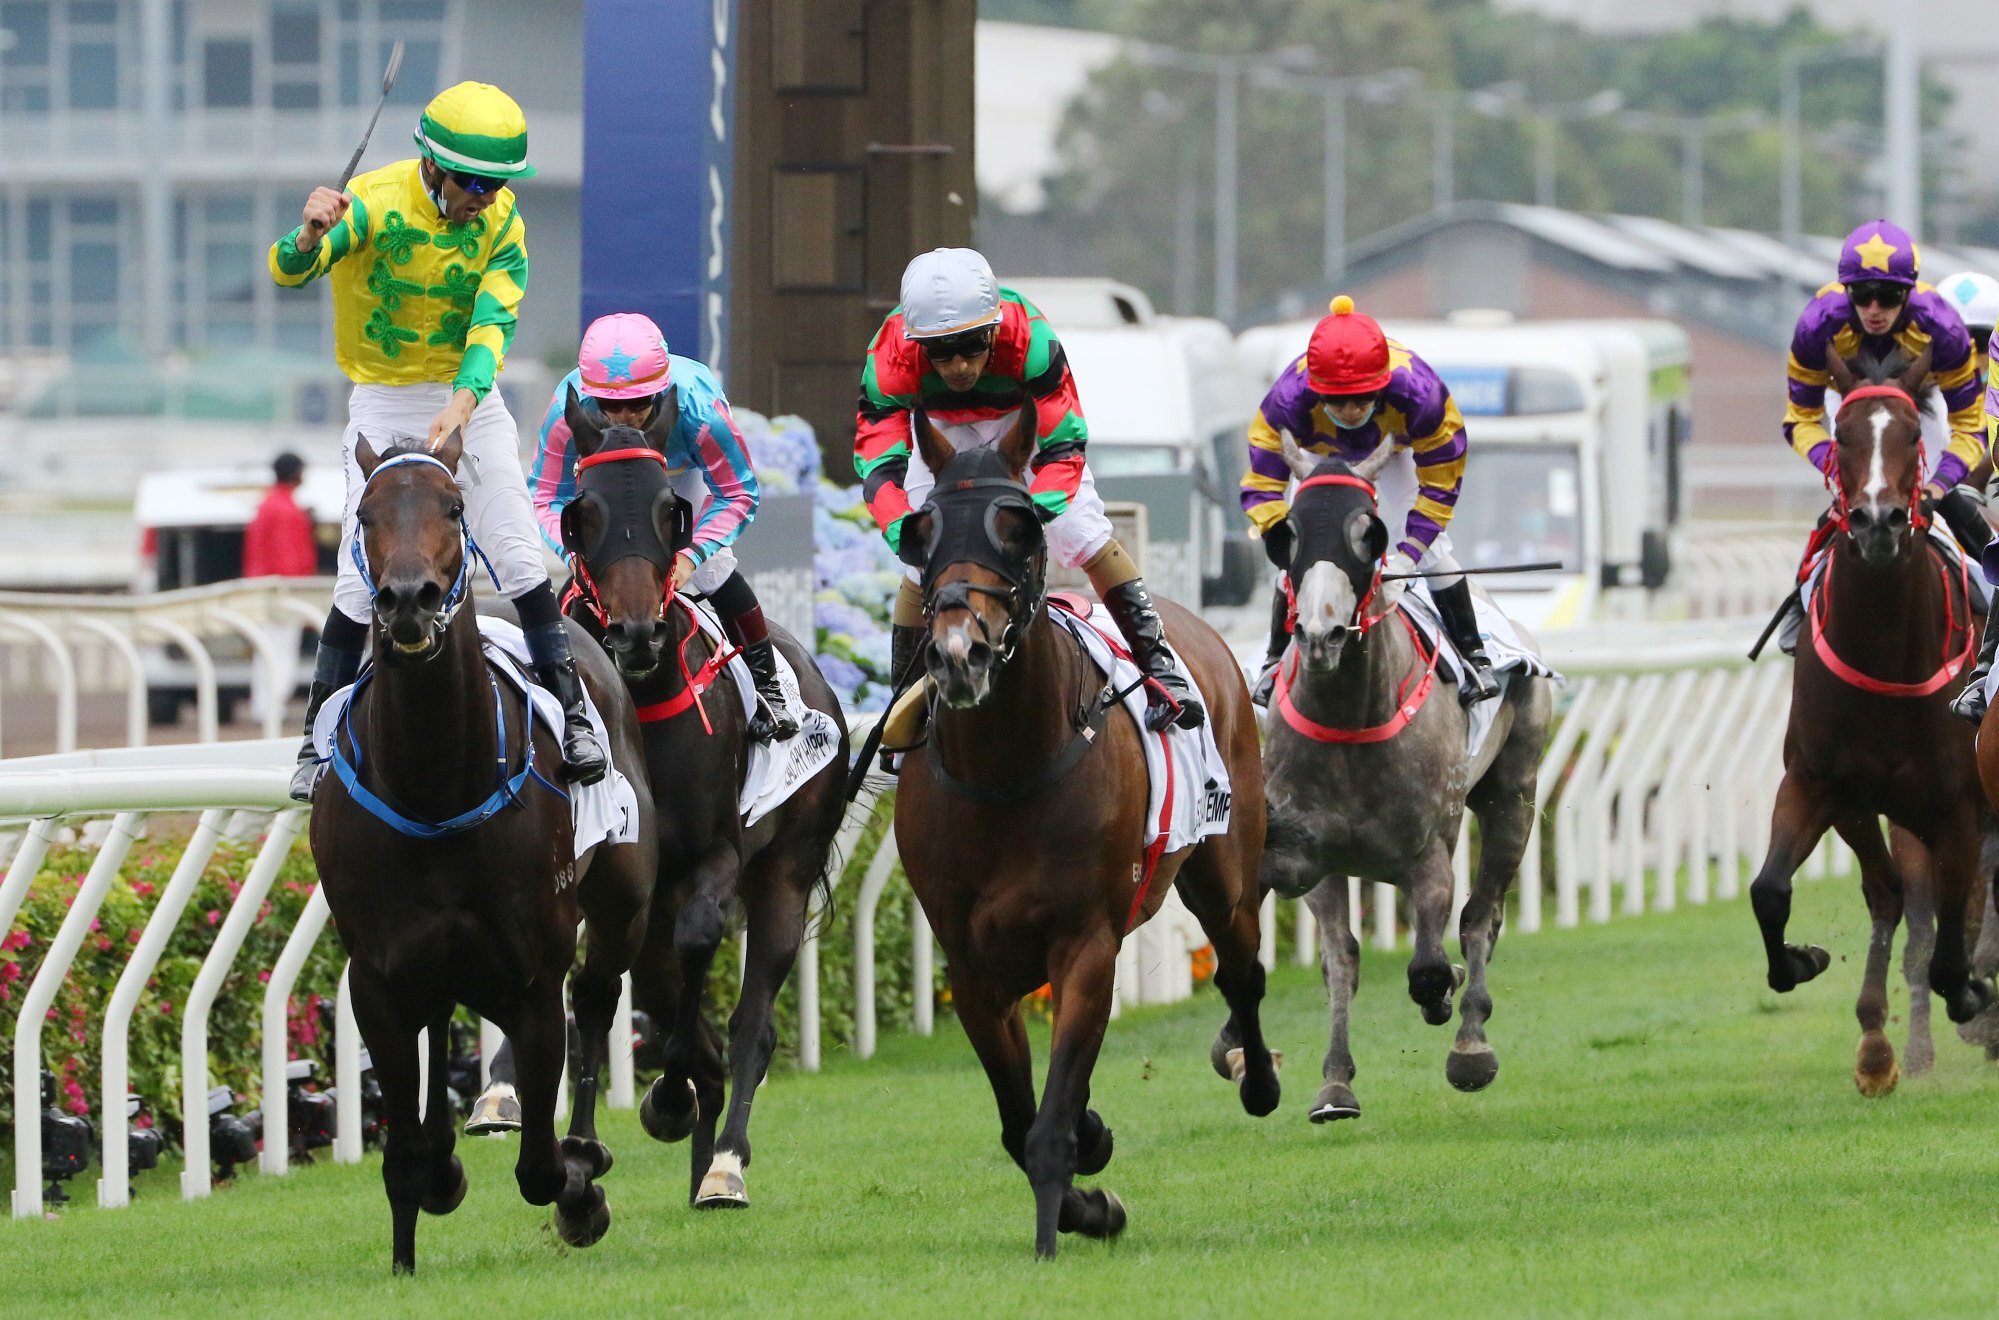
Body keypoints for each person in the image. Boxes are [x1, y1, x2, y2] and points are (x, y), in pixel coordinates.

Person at [268, 80, 605, 801]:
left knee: (517, 554)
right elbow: (289, 272)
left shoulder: (502, 223)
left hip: (467, 402)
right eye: (476, 182)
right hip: (382, 404)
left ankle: (574, 719)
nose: (486, 196)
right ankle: (312, 741)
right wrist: (307, 233)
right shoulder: (372, 202)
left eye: (499, 183)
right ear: (434, 166)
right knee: (360, 579)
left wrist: (461, 402)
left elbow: (493, 321)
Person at [857, 246, 1202, 731]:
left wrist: (1031, 518)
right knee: (921, 559)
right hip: (939, 430)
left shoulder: (1032, 338)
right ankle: (905, 702)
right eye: (941, 352)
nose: (958, 366)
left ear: (996, 328)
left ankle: (1160, 670)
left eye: (973, 345)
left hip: (1022, 425)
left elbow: (1065, 447)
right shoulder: (890, 353)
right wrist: (908, 532)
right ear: (917, 343)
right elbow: (878, 462)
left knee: (1081, 529)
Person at [530, 312, 798, 741]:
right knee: (586, 578)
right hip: (604, 481)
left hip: (674, 474)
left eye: (639, 404)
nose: (624, 418)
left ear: (662, 392)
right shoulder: (567, 412)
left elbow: (739, 492)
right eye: (610, 406)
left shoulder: (698, 409)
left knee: (714, 569)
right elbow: (546, 495)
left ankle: (768, 687)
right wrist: (573, 552)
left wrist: (691, 557)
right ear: (589, 397)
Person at [1240, 295, 1497, 708]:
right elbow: (1263, 483)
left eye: (1362, 397)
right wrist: (1285, 543)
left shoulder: (1422, 394)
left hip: (1396, 451)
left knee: (1435, 554)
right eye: (1337, 401)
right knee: (1304, 547)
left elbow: (1439, 487)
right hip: (1318, 455)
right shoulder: (1287, 401)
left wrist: (1407, 557)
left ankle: (1474, 656)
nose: (1351, 409)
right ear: (1315, 392)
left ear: (1383, 385)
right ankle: (1274, 659)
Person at [242, 452, 320, 725]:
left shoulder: (266, 504)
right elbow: (288, 557)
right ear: (295, 473)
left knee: (266, 650)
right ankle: (272, 706)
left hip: (263, 588)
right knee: (282, 650)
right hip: (283, 591)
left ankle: (262, 705)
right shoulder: (286, 509)